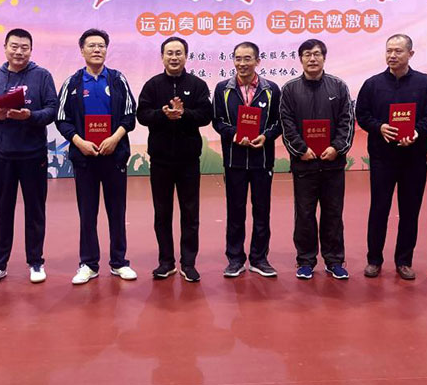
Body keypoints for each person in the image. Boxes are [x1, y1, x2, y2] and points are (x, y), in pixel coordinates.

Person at [56, 29, 138, 284]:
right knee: (87, 213)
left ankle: (119, 262)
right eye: (91, 45)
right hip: (85, 158)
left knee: (117, 212)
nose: (97, 49)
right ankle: (88, 264)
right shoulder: (72, 83)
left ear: (106, 50)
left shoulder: (117, 79)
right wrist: (79, 142)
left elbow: (130, 115)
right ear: (82, 50)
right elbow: (62, 119)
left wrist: (115, 139)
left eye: (101, 45)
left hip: (114, 157)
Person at [355, 34, 427, 280]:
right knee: (379, 209)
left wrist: (417, 132)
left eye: (398, 51)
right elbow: (362, 115)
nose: (392, 55)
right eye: (389, 51)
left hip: (414, 158)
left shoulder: (425, 83)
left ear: (410, 54)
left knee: (410, 210)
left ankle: (404, 260)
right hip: (382, 158)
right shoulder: (372, 84)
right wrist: (379, 127)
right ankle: (374, 260)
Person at [0, 28, 58, 286]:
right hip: (3, 155)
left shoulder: (42, 76)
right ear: (5, 48)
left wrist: (30, 116)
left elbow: (52, 110)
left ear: (31, 50)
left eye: (24, 47)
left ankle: (36, 261)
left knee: (35, 210)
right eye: (14, 46)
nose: (19, 51)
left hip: (34, 155)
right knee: (2, 210)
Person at [137, 37, 212, 282]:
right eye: (169, 53)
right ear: (162, 57)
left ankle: (188, 263)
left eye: (178, 52)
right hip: (160, 161)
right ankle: (166, 262)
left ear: (186, 56)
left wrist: (183, 114)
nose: (174, 57)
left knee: (190, 213)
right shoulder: (152, 85)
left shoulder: (197, 85)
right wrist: (163, 114)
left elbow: (206, 115)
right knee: (162, 212)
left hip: (188, 160)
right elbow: (142, 115)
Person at [279, 39, 354, 280]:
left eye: (317, 54)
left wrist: (336, 148)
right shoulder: (290, 89)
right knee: (304, 213)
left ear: (324, 57)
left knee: (333, 213)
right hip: (304, 164)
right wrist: (301, 149)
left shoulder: (338, 86)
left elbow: (347, 121)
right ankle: (305, 260)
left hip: (333, 163)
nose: (312, 59)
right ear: (300, 59)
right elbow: (286, 123)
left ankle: (334, 260)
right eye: (307, 54)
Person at [212, 42, 282, 278]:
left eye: (247, 58)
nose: (242, 63)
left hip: (262, 160)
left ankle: (259, 259)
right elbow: (217, 121)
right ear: (233, 60)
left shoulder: (271, 89)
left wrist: (266, 136)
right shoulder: (222, 89)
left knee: (262, 211)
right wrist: (234, 135)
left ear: (257, 61)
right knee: (235, 211)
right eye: (238, 58)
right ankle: (235, 259)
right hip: (235, 160)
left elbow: (278, 122)